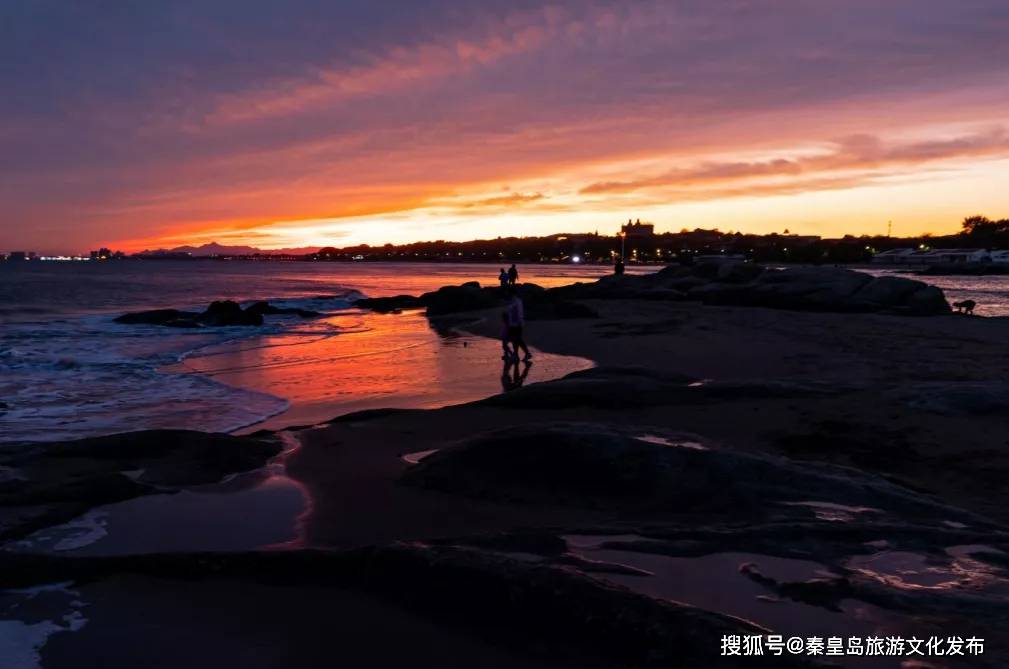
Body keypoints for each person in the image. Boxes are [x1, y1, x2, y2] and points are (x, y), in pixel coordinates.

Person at [505, 289, 532, 361]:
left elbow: (519, 313)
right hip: (512, 324)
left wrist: (520, 322)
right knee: (516, 340)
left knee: (517, 340)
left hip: (516, 324)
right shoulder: (512, 301)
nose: (507, 295)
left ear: (512, 294)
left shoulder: (517, 301)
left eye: (508, 293)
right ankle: (517, 355)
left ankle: (524, 354)